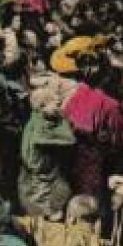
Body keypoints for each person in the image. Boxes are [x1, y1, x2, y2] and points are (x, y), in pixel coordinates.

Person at [19, 74, 77, 220]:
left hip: (41, 177)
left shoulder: (37, 119)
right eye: (55, 103)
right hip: (41, 180)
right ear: (43, 106)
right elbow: (68, 140)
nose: (59, 104)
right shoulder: (42, 125)